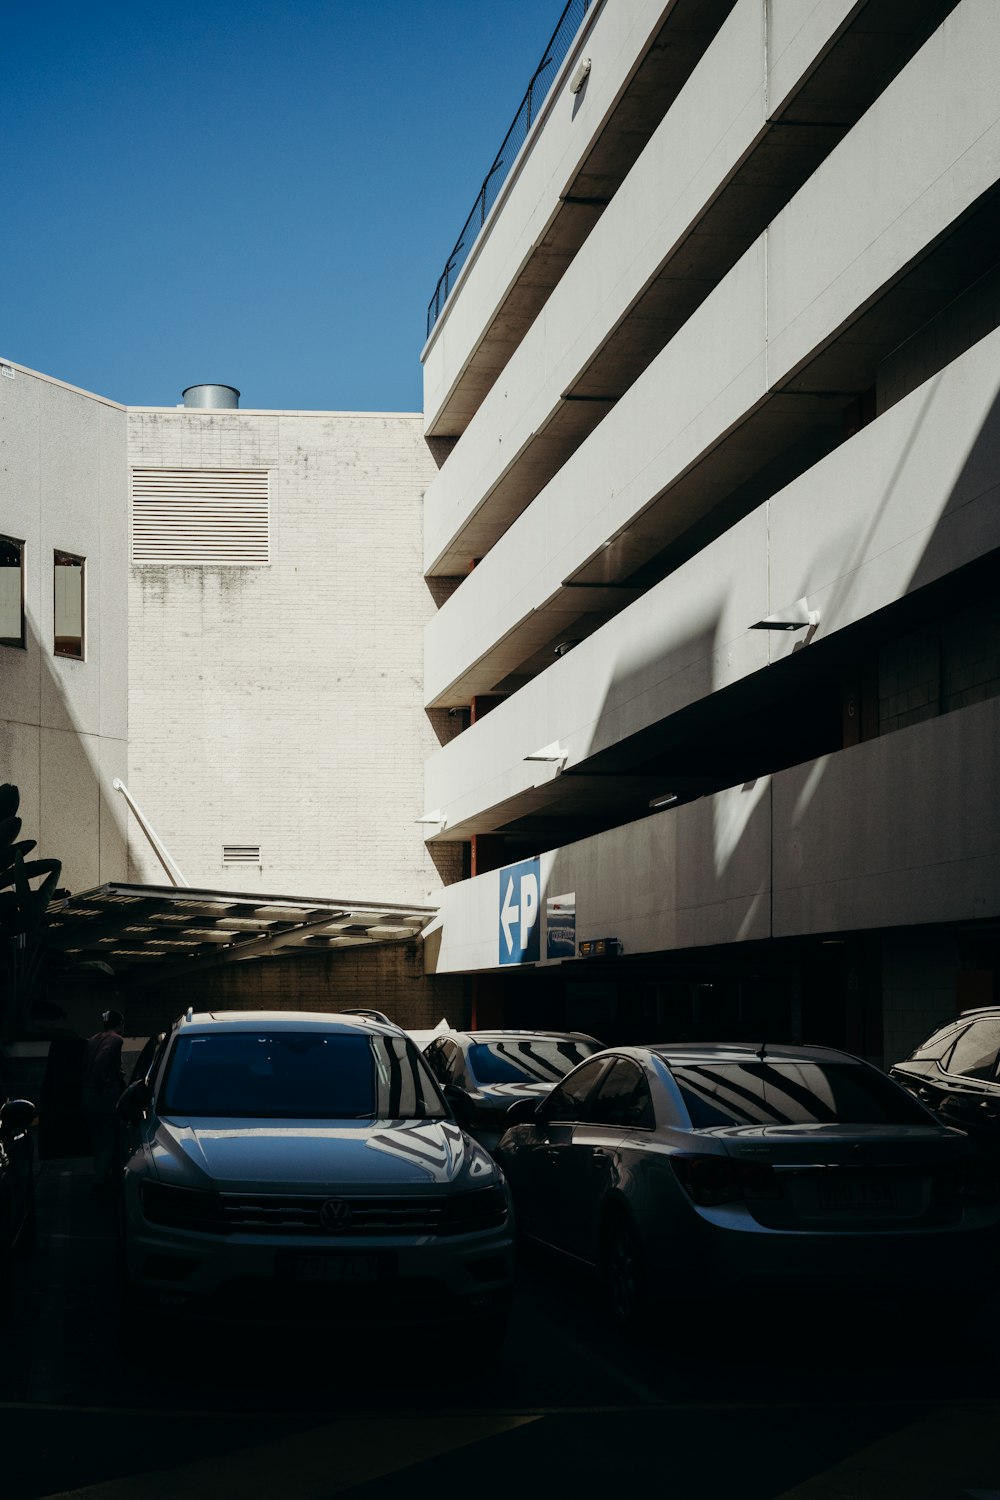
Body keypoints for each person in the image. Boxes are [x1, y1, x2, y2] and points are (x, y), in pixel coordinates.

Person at [80, 1008, 126, 1192]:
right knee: (110, 1139)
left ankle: (99, 1175)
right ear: (120, 1024)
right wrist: (106, 1082)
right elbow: (100, 1062)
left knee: (97, 1140)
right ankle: (99, 1180)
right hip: (103, 1095)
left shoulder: (92, 1039)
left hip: (86, 1095)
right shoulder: (116, 1039)